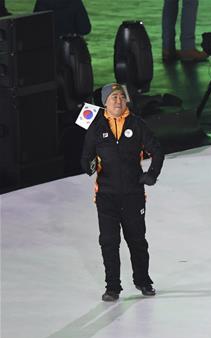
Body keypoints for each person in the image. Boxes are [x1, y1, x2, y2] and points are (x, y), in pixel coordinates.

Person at [80, 83, 164, 302]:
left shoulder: (137, 124)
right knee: (109, 241)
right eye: (113, 97)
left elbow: (157, 151)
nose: (118, 100)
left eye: (121, 96)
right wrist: (88, 166)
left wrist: (152, 174)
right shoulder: (96, 127)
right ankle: (113, 287)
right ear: (104, 102)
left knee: (137, 240)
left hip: (133, 194)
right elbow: (85, 157)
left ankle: (143, 281)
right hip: (106, 195)